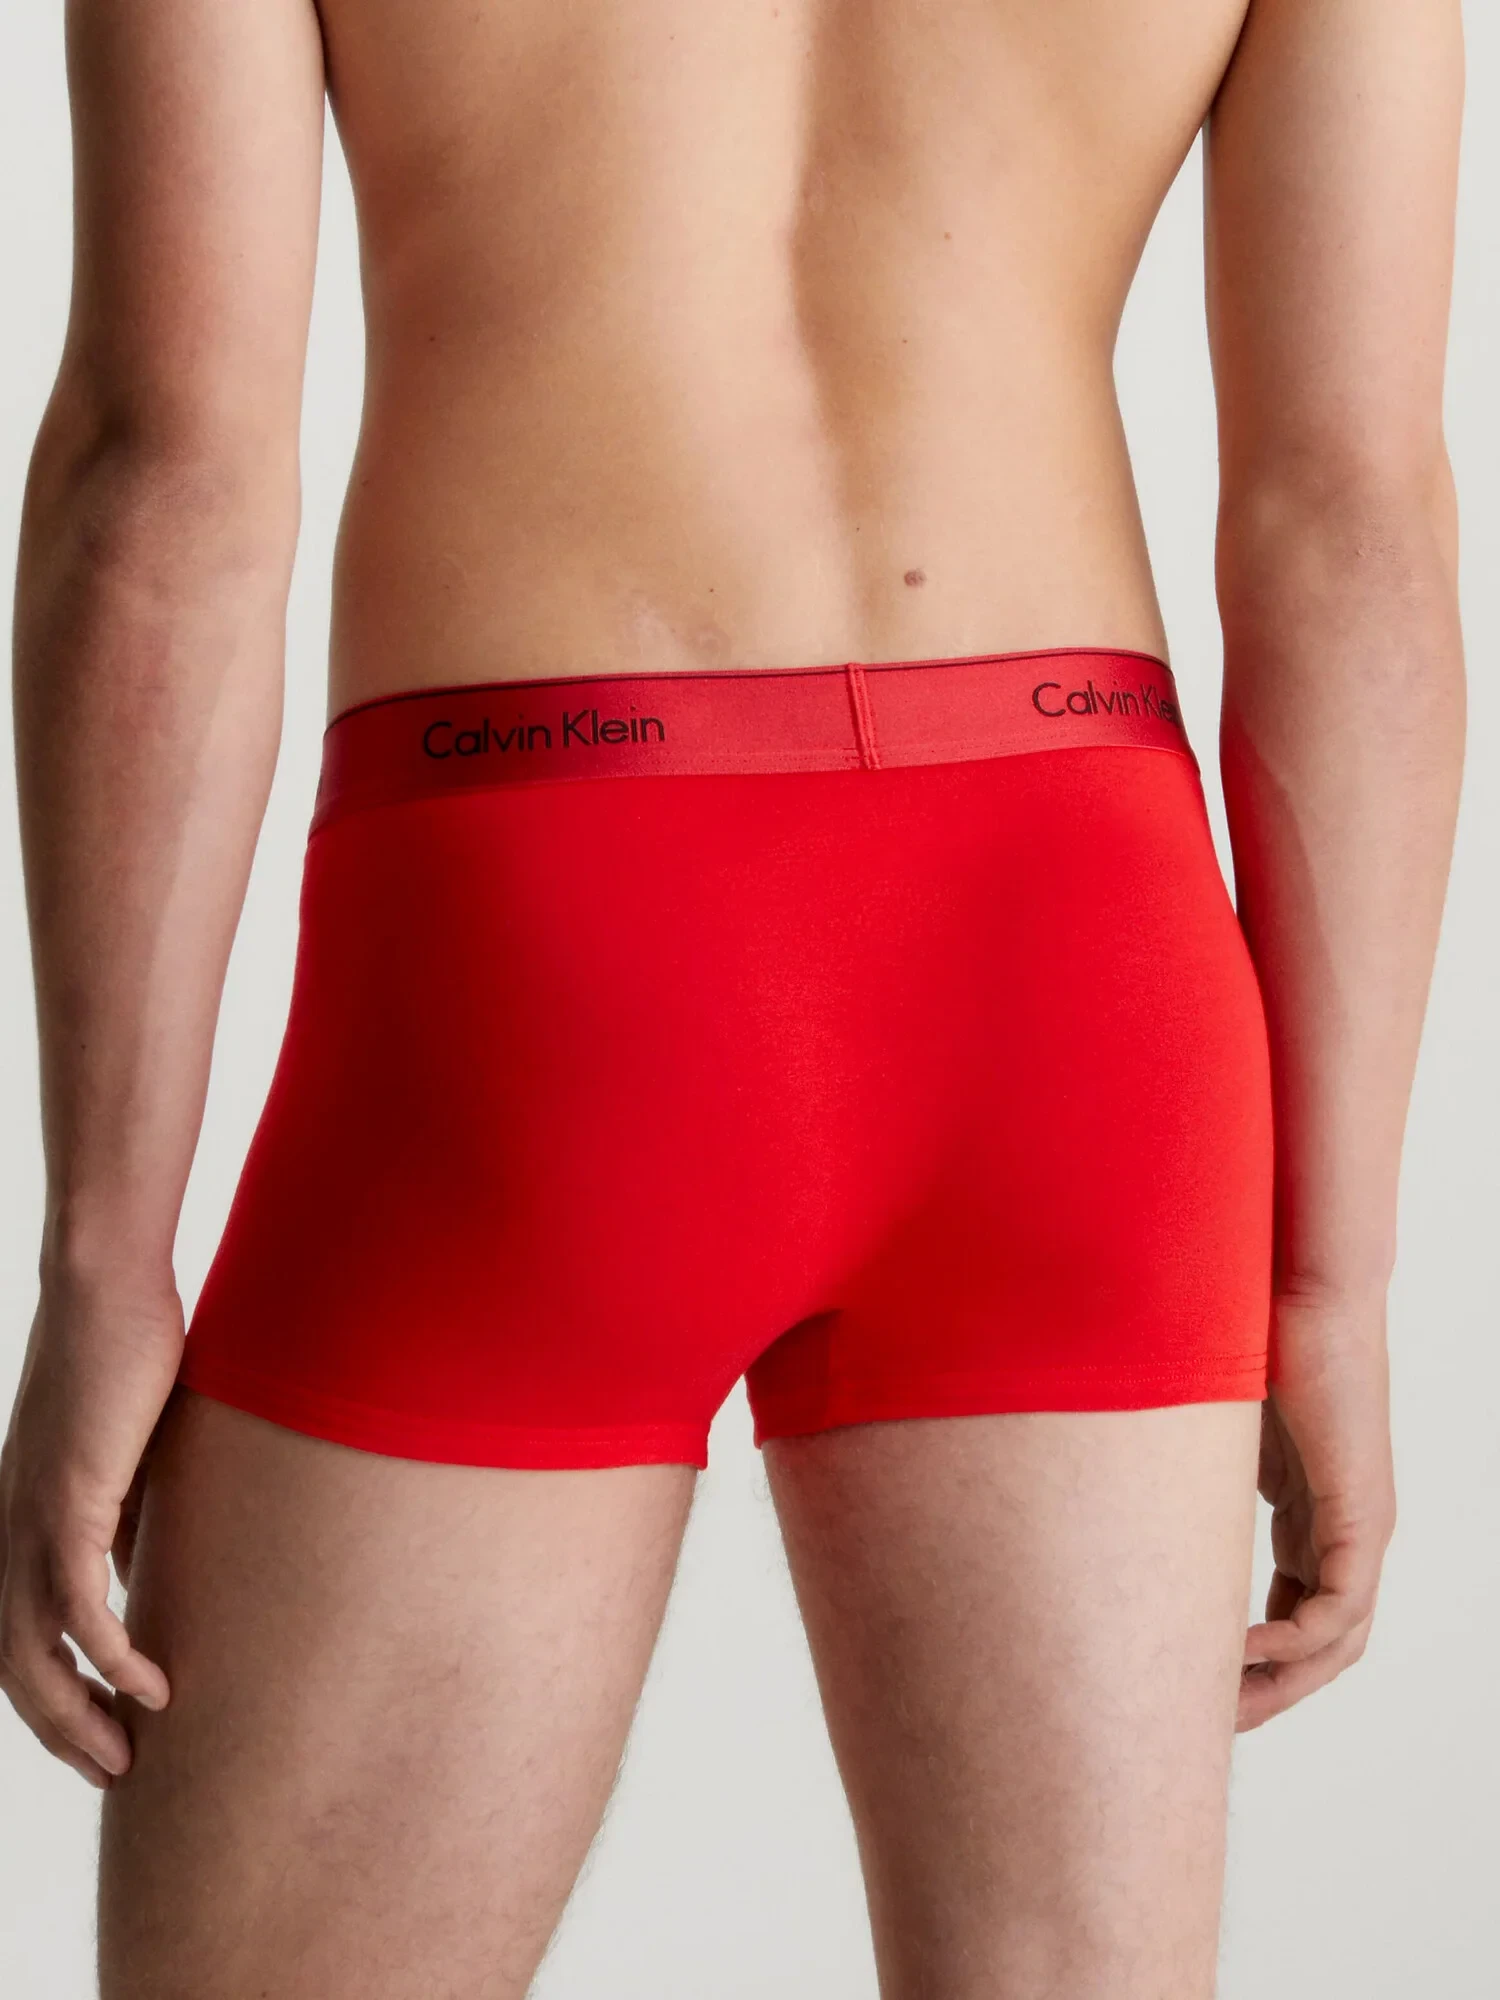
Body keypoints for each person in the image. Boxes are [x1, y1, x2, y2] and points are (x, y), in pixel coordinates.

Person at [0, 0, 1466, 1993]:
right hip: (1077, 961)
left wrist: (104, 1247)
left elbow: (163, 486)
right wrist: (1331, 1278)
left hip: (539, 936)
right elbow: (1348, 530)